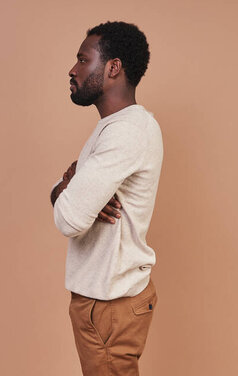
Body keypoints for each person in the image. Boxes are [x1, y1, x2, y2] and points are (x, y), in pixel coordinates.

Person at [50, 21, 164, 375]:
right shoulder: (113, 128)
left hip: (110, 303)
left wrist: (72, 188)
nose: (73, 70)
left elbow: (69, 218)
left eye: (83, 60)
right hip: (103, 298)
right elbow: (62, 194)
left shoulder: (127, 131)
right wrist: (68, 188)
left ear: (113, 67)